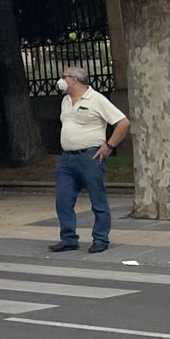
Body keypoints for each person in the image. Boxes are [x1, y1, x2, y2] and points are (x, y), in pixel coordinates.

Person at [51, 66, 130, 253]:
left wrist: (109, 146)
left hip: (90, 156)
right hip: (67, 158)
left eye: (64, 76)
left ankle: (101, 238)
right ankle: (68, 238)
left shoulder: (96, 99)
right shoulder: (65, 101)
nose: (61, 80)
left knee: (97, 199)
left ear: (74, 80)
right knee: (63, 198)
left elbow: (122, 122)